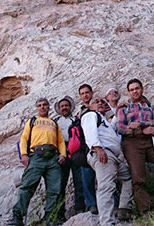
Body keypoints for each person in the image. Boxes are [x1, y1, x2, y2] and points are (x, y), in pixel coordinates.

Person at [117, 79, 154, 214]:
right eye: (132, 89)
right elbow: (121, 127)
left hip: (151, 141)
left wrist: (139, 123)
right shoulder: (124, 109)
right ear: (129, 92)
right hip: (132, 144)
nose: (135, 91)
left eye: (137, 88)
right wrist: (141, 129)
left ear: (142, 89)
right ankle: (146, 210)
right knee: (138, 178)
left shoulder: (151, 107)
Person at [7, 98, 66, 226]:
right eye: (39, 105)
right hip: (36, 156)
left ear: (48, 107)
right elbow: (24, 138)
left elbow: (60, 141)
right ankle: (17, 217)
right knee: (27, 186)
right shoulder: (32, 121)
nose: (42, 107)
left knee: (54, 189)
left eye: (45, 105)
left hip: (53, 157)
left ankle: (51, 217)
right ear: (37, 108)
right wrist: (23, 154)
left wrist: (63, 154)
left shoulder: (54, 124)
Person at [82, 96, 133, 225]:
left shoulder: (102, 119)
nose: (100, 103)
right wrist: (98, 148)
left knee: (127, 177)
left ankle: (123, 208)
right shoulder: (90, 115)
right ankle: (106, 222)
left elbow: (111, 129)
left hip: (113, 157)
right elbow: (90, 132)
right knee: (106, 187)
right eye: (96, 101)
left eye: (102, 102)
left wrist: (117, 112)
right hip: (103, 153)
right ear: (90, 106)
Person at [54, 96, 85, 220]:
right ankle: (59, 214)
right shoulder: (55, 122)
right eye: (62, 106)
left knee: (79, 181)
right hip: (61, 154)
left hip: (76, 152)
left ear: (70, 107)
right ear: (59, 109)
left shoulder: (77, 120)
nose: (64, 108)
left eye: (66, 105)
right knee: (60, 183)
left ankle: (79, 208)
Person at [77, 84, 98, 214]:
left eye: (87, 92)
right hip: (85, 147)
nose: (85, 95)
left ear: (91, 93)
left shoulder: (99, 104)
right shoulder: (79, 111)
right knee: (87, 176)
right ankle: (91, 204)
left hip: (100, 144)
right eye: (82, 93)